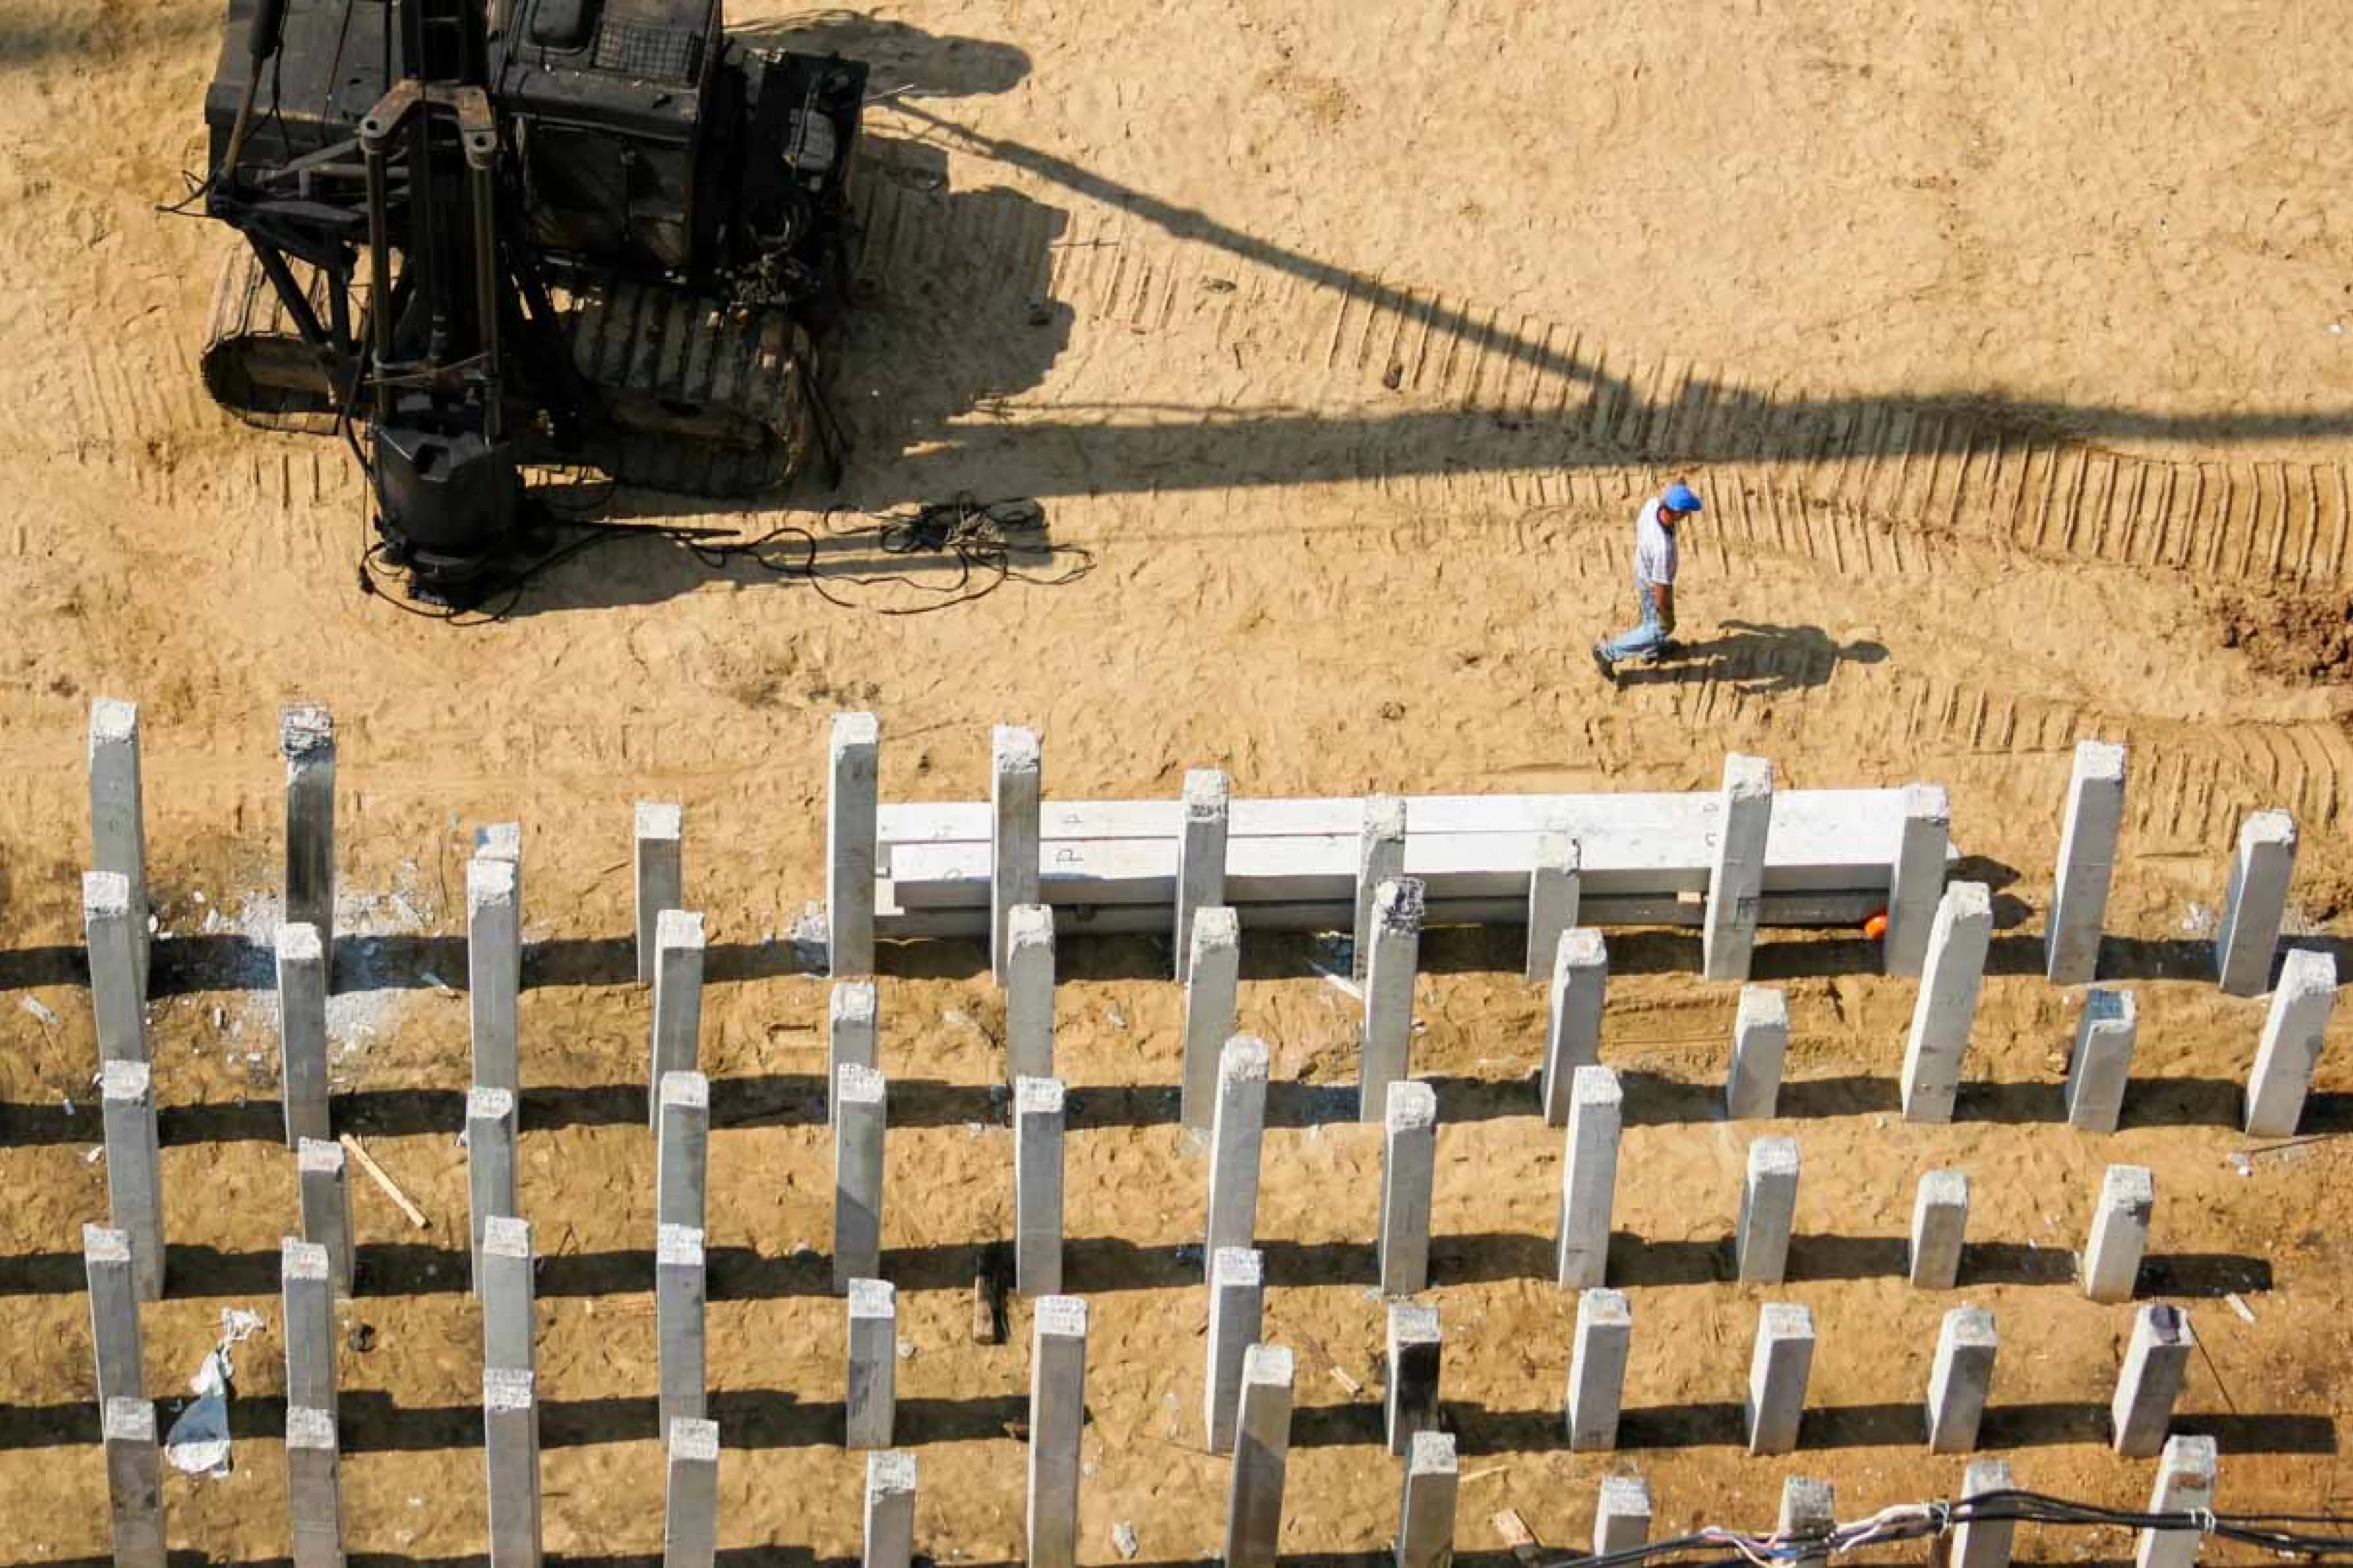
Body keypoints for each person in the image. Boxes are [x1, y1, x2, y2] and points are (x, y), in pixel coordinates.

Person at [1592, 481, 1702, 679]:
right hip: (1653, 584)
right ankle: (1608, 652)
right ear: (1677, 513)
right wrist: (1665, 612)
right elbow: (1661, 585)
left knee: (1650, 620)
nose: (1688, 515)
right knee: (1660, 627)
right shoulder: (1663, 548)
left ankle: (1650, 651)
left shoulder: (1652, 506)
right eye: (1686, 512)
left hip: (1642, 572)